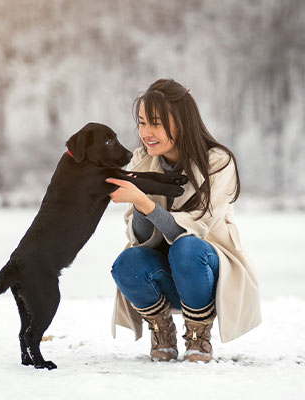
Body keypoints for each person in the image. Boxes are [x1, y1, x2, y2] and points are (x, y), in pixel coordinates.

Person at [106, 78, 261, 362]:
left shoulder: (218, 162)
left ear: (181, 121)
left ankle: (198, 336)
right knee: (127, 262)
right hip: (165, 278)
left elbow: (198, 229)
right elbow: (139, 239)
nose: (146, 133)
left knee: (186, 248)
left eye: (155, 123)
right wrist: (141, 207)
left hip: (206, 275)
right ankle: (161, 329)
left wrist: (143, 200)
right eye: (141, 123)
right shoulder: (142, 159)